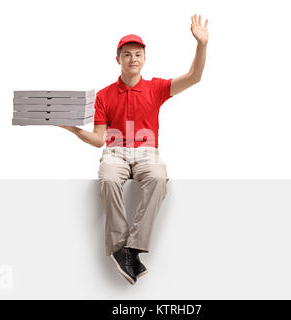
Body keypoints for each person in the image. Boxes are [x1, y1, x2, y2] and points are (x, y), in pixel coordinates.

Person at [58, 14, 208, 285]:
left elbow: (194, 77)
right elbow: (99, 140)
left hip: (147, 154)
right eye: (127, 55)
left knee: (159, 178)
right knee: (109, 178)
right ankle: (118, 247)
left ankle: (133, 248)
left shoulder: (156, 88)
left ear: (144, 58)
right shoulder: (103, 95)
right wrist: (74, 130)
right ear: (118, 59)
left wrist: (202, 45)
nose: (133, 59)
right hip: (115, 153)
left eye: (138, 54)